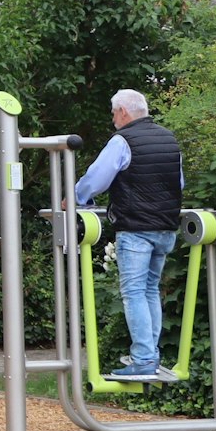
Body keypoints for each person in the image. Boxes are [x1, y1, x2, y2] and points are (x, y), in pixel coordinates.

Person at [75, 88, 185, 383]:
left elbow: (97, 179)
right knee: (150, 290)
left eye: (113, 114)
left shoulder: (123, 141)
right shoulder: (169, 139)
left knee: (134, 292)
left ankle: (143, 359)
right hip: (166, 228)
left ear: (123, 112)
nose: (113, 120)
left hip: (136, 229)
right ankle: (151, 354)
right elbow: (179, 183)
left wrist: (76, 198)